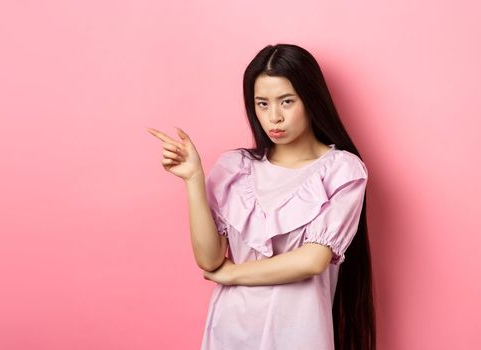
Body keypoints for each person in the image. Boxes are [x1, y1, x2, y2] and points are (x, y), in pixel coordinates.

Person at [147, 43, 376, 350]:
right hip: (231, 327)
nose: (274, 117)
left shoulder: (342, 171)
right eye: (262, 104)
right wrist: (193, 179)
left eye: (286, 101)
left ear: (311, 100)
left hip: (298, 332)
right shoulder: (235, 167)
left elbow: (312, 260)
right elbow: (209, 258)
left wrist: (232, 274)